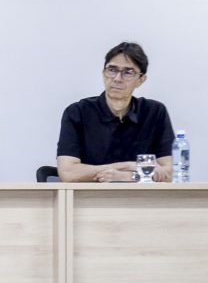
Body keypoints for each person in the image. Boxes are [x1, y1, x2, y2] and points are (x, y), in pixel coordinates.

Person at [57, 42, 174, 182]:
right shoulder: (78, 112)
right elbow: (68, 173)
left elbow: (170, 173)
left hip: (141, 195)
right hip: (91, 195)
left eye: (128, 72)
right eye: (112, 70)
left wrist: (126, 176)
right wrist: (129, 165)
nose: (117, 78)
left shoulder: (154, 112)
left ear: (141, 80)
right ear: (103, 73)